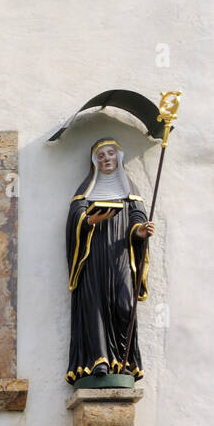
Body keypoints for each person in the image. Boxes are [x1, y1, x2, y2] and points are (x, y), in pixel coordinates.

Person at [64, 138, 154, 384]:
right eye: (101, 155)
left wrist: (140, 232)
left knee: (125, 304)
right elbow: (75, 221)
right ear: (95, 161)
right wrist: (90, 221)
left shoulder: (129, 191)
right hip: (93, 257)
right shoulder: (86, 192)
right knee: (94, 305)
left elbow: (137, 217)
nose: (106, 158)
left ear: (118, 157)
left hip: (121, 255)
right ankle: (99, 360)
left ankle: (123, 362)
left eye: (110, 154)